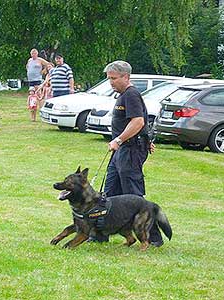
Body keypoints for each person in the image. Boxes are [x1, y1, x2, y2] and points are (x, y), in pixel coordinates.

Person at [101, 60, 162, 246]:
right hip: (122, 150)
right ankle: (99, 232)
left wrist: (118, 140)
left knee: (133, 196)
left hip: (129, 150)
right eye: (108, 78)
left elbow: (138, 122)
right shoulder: (123, 95)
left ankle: (153, 237)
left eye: (113, 78)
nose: (110, 82)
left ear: (126, 77)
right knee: (110, 193)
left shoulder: (131, 95)